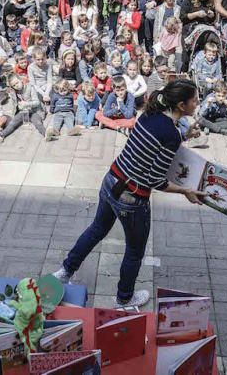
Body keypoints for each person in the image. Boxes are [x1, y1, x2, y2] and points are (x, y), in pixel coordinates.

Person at [53, 80, 206, 308]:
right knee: (134, 251)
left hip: (111, 180)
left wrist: (184, 136)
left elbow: (154, 143)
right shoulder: (171, 134)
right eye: (194, 100)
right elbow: (155, 179)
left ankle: (65, 271)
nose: (197, 103)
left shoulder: (149, 114)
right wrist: (185, 191)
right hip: (132, 198)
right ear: (182, 105)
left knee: (96, 229)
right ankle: (124, 298)